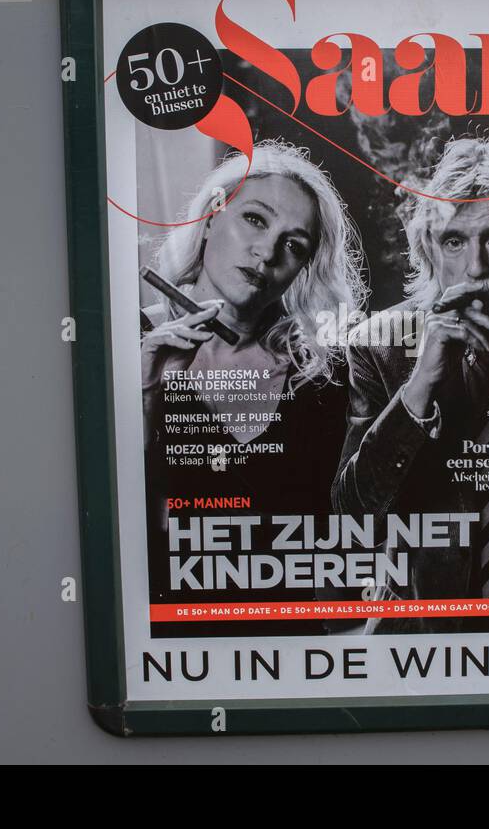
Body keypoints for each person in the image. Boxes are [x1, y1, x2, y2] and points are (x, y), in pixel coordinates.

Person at [332, 135, 489, 634]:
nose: (475, 269)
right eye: (454, 241)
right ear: (430, 250)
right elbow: (354, 512)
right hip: (424, 622)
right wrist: (422, 380)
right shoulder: (378, 345)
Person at [142, 140, 366, 637]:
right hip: (162, 645)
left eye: (294, 245)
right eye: (256, 220)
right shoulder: (128, 344)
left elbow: (344, 548)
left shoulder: (321, 377)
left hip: (289, 652)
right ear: (210, 217)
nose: (267, 253)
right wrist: (148, 390)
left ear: (304, 269)